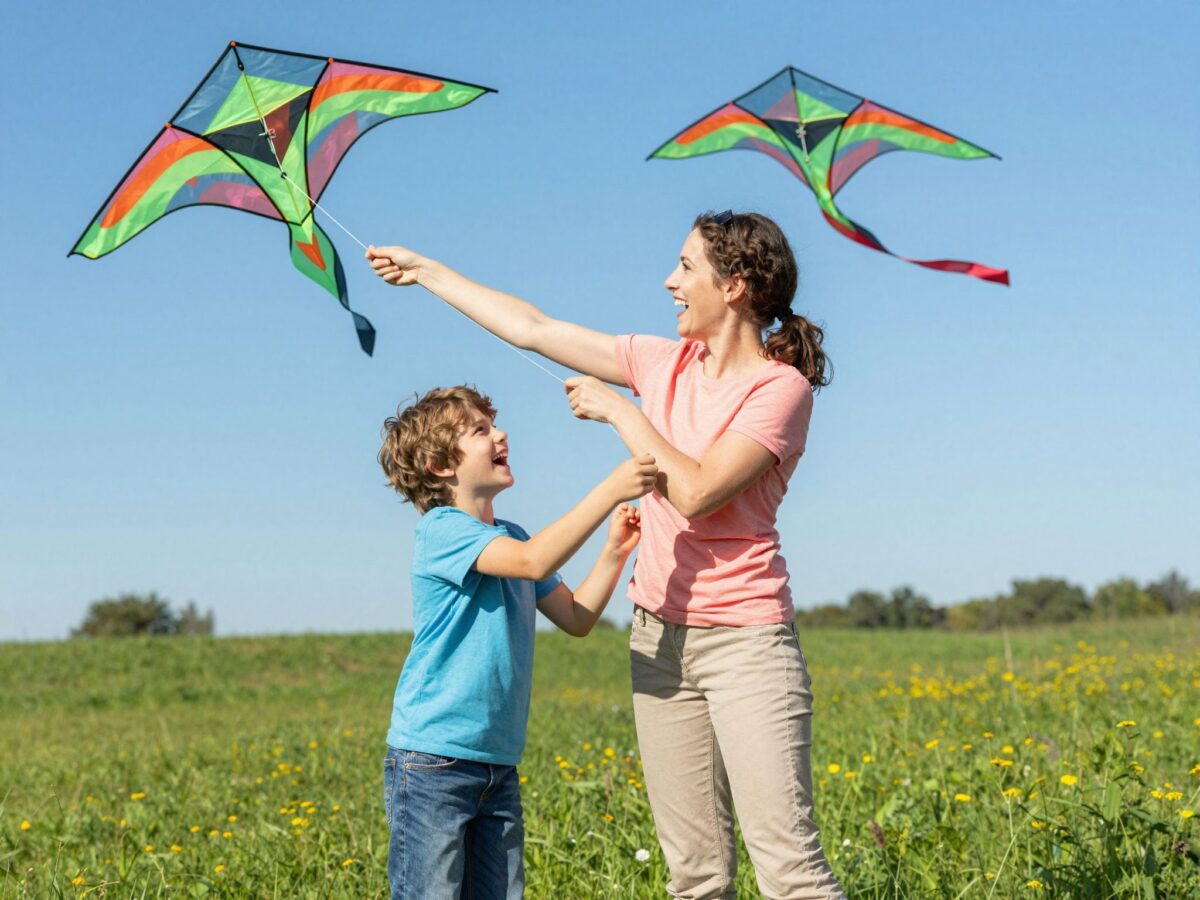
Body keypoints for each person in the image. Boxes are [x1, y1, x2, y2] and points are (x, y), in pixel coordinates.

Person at [367, 210, 844, 899]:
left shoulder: (779, 389)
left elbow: (697, 491)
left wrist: (622, 411)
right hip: (658, 642)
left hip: (745, 641)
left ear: (734, 285)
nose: (670, 281)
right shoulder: (662, 362)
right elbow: (532, 328)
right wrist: (427, 272)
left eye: (686, 267)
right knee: (696, 877)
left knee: (791, 872)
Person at [377, 384, 657, 900]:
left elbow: (576, 617)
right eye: (480, 430)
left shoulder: (514, 536)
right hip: (432, 763)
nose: (501, 434)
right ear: (440, 464)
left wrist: (614, 554)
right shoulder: (442, 531)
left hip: (497, 764)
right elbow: (533, 562)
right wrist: (611, 490)